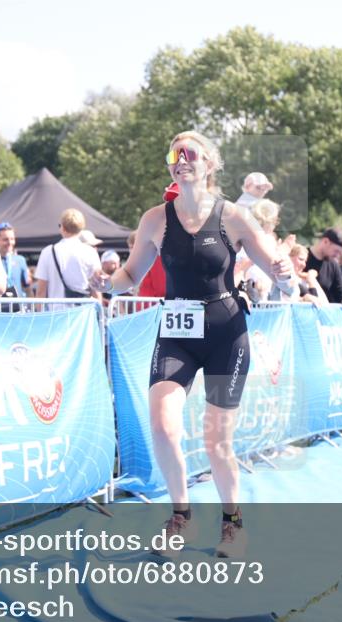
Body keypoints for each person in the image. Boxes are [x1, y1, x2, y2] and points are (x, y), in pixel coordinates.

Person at [89, 131, 291, 559]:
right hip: (178, 332)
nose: (181, 160)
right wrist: (108, 282)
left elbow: (276, 271)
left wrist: (284, 271)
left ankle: (233, 524)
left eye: (190, 153)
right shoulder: (155, 220)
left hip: (225, 333)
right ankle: (180, 515)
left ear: (209, 164)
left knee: (217, 440)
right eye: (174, 154)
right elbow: (130, 277)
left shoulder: (234, 216)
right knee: (162, 426)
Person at [34, 209, 101, 299]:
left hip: (56, 310)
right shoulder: (91, 252)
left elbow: (41, 291)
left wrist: (39, 312)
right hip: (83, 309)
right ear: (81, 229)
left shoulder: (47, 252)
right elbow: (96, 290)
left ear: (62, 228)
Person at [305, 228, 342, 304]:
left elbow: (341, 292)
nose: (337, 256)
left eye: (340, 253)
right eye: (336, 251)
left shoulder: (333, 265)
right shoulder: (302, 258)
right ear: (325, 241)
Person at [0, 221, 32, 299]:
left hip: (17, 307)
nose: (10, 242)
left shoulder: (20, 260)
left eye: (12, 239)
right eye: (5, 239)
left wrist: (33, 308)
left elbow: (28, 288)